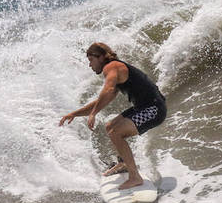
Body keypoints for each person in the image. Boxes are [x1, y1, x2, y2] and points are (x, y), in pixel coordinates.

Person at [58, 42, 167, 190]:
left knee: (116, 132)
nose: (90, 65)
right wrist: (75, 114)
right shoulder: (115, 70)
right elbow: (102, 99)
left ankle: (135, 177)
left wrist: (94, 113)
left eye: (91, 60)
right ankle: (123, 164)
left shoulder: (112, 67)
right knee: (111, 126)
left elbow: (108, 90)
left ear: (101, 57)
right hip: (144, 107)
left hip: (154, 109)